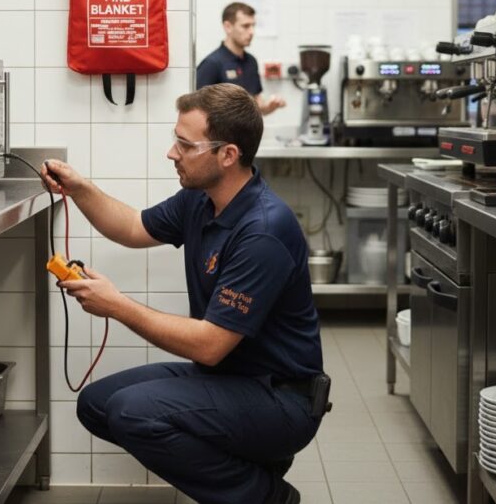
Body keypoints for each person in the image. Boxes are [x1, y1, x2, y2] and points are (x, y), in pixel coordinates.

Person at [41, 83, 326, 504]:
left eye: (184, 144)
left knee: (132, 411)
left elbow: (210, 346)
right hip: (230, 377)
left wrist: (116, 306)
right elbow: (133, 227)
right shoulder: (202, 200)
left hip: (280, 397)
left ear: (227, 155)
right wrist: (79, 186)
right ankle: (253, 470)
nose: (171, 153)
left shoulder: (263, 230)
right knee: (97, 404)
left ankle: (266, 496)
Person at [196, 2, 286, 116]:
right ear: (228, 27)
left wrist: (271, 106)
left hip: (247, 133)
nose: (252, 32)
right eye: (246, 26)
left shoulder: (251, 62)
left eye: (253, 25)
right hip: (221, 133)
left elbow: (257, 106)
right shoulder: (212, 63)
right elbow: (196, 110)